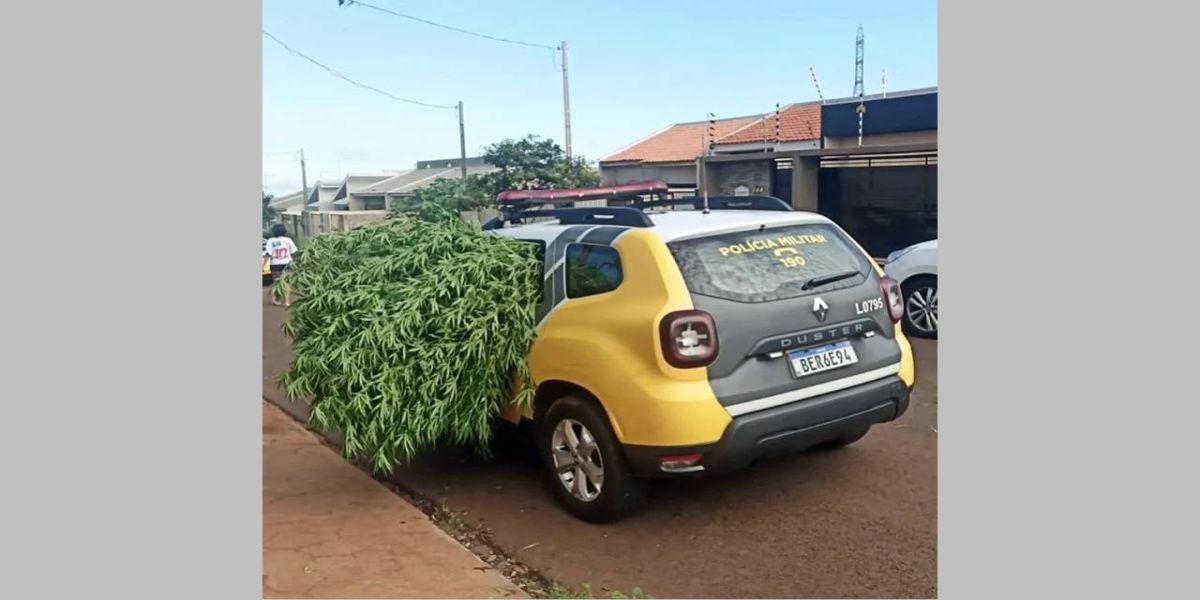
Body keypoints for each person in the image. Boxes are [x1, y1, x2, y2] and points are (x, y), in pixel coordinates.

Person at [263, 224, 298, 306]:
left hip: (275, 264)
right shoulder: (288, 240)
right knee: (287, 283)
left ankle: (278, 300)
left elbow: (268, 254)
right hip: (288, 263)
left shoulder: (270, 241)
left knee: (277, 283)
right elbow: (294, 252)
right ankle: (287, 301)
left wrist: (264, 264)